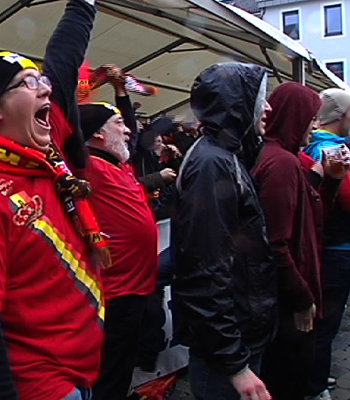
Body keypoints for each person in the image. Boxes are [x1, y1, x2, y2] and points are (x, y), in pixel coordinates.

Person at [0, 1, 104, 399]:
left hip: (83, 370)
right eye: (29, 83)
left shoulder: (47, 157)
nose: (45, 87)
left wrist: (83, 6)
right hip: (42, 388)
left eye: (39, 80)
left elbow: (63, 63)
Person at [172, 62, 276, 400]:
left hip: (238, 335)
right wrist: (234, 363)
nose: (269, 108)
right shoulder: (211, 164)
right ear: (238, 104)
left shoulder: (226, 156)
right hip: (227, 350)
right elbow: (203, 271)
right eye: (261, 97)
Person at [252, 82, 347, 400]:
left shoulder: (288, 158)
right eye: (311, 118)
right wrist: (302, 297)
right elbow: (276, 242)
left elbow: (310, 216)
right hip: (288, 295)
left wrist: (329, 180)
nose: (315, 125)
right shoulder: (281, 163)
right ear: (296, 117)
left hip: (292, 287)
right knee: (287, 376)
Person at [78, 67, 159, 400]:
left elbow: (132, 137)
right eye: (118, 125)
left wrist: (121, 91)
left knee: (123, 365)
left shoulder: (118, 163)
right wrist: (79, 82)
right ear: (97, 134)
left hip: (137, 289)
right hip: (115, 293)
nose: (127, 131)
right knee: (110, 371)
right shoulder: (86, 165)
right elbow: (67, 124)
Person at [304, 88, 350, 400]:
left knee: (323, 323)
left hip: (327, 246)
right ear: (343, 116)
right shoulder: (333, 150)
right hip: (336, 249)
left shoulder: (318, 146)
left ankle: (316, 376)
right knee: (325, 324)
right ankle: (314, 384)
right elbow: (346, 200)